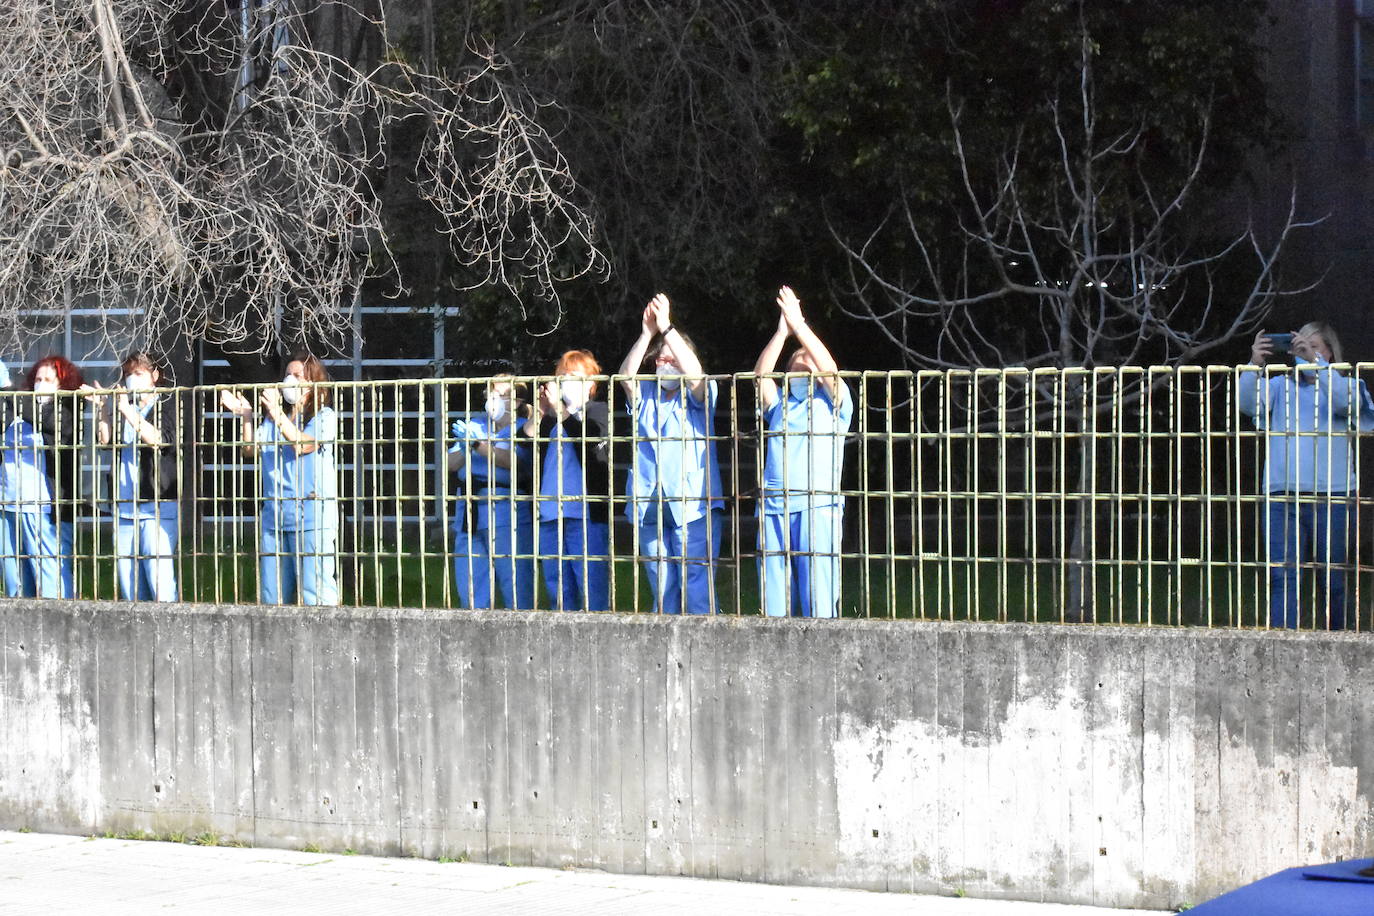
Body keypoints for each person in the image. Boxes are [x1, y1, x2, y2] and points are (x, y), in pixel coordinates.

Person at [1240, 323, 1374, 629]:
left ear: (1330, 352)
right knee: (1282, 577)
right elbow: (1248, 405)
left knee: (1334, 579)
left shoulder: (1346, 384)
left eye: (1315, 346)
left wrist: (1319, 367)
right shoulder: (1279, 387)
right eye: (1302, 346)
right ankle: (1284, 647)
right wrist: (1254, 365)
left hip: (1334, 495)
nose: (1307, 352)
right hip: (1282, 496)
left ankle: (1337, 644)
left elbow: (1345, 403)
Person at [617, 293, 724, 614]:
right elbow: (625, 376)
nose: (666, 364)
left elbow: (694, 374)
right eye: (661, 360)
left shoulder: (700, 395)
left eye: (673, 359)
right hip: (649, 503)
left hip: (693, 503)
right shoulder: (646, 394)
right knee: (661, 586)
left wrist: (667, 329)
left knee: (697, 587)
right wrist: (647, 333)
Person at [753, 286, 853, 618]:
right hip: (774, 507)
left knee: (818, 597)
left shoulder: (835, 405)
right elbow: (760, 376)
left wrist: (801, 327)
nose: (803, 367)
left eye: (808, 364)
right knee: (774, 600)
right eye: (796, 364)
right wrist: (783, 332)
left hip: (817, 505)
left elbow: (830, 371)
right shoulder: (779, 405)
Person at [221, 353, 339, 606]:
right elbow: (250, 450)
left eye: (297, 376)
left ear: (313, 383)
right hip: (275, 516)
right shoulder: (273, 420)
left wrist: (275, 412)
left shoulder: (324, 416)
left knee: (315, 594)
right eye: (287, 375)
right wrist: (247, 416)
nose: (289, 381)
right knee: (272, 596)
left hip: (312, 517)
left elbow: (303, 445)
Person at [522, 350, 612, 611]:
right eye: (561, 376)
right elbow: (525, 442)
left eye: (573, 376)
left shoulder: (597, 411)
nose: (565, 381)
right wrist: (539, 412)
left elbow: (589, 443)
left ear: (591, 384)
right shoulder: (550, 418)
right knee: (558, 588)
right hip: (550, 512)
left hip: (584, 513)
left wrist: (561, 411)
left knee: (591, 585)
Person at [90, 352, 179, 602]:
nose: (132, 380)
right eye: (128, 375)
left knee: (159, 579)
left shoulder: (166, 403)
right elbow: (106, 441)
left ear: (154, 375)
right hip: (124, 506)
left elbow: (160, 440)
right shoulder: (123, 407)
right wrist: (104, 410)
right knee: (129, 580)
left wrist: (128, 411)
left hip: (156, 506)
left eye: (138, 374)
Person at [447, 374, 536, 609]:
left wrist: (479, 445)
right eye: (491, 394)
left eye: (501, 395)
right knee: (472, 587)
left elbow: (516, 462)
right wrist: (466, 444)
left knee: (516, 585)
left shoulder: (523, 428)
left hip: (508, 511)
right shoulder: (474, 425)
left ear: (516, 401)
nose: (493, 400)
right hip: (470, 510)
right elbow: (450, 464)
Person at [0, 356, 84, 598]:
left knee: (50, 576)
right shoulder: (18, 407)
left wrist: (7, 387)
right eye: (37, 379)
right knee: (14, 574)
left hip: (43, 506)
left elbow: (45, 421)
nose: (41, 384)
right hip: (9, 502)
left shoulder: (67, 408)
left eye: (48, 379)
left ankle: (60, 622)